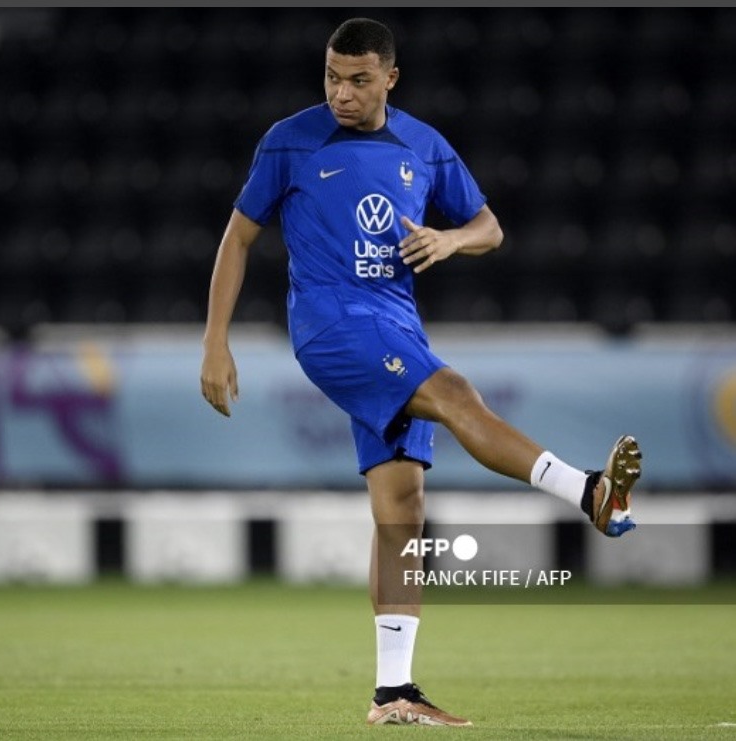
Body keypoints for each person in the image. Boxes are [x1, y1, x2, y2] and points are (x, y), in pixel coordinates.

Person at [199, 17, 642, 728]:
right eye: (332, 77)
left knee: (401, 512)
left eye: (359, 80)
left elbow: (490, 225)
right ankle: (586, 489)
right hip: (332, 323)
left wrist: (450, 238)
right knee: (459, 394)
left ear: (390, 79)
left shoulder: (424, 146)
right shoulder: (291, 139)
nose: (342, 93)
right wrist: (215, 340)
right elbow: (238, 236)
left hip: (396, 323)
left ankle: (393, 692)